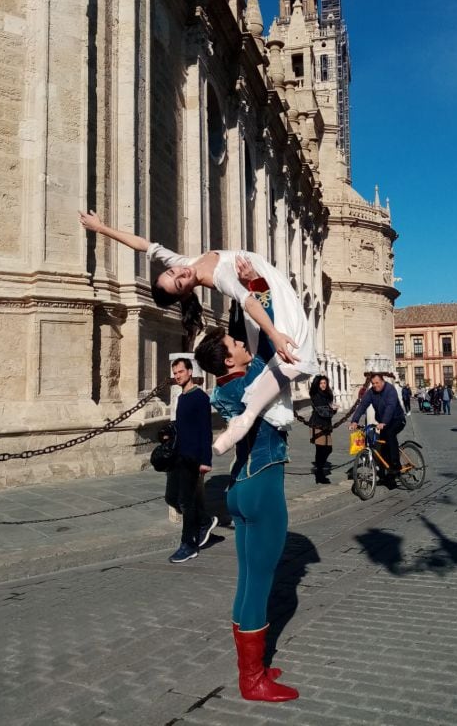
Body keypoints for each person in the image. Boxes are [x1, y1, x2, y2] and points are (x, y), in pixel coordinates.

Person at [78, 211, 318, 453]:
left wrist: (102, 229)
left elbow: (144, 245)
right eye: (180, 282)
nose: (181, 273)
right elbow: (250, 303)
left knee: (287, 362)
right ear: (184, 293)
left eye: (173, 272)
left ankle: (245, 417)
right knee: (293, 356)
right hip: (267, 291)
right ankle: (246, 418)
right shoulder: (220, 277)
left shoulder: (184, 263)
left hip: (265, 280)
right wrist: (274, 334)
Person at [194, 262, 299, 703]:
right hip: (262, 486)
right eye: (235, 344)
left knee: (247, 581)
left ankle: (252, 666)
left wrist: (249, 285)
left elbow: (251, 333)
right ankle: (252, 679)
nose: (241, 343)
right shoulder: (252, 380)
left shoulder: (225, 386)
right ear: (229, 358)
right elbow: (273, 342)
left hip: (239, 487)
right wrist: (266, 294)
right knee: (261, 584)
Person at [164, 358, 218, 563]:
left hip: (192, 457)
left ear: (189, 372)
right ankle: (204, 521)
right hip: (177, 456)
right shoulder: (182, 397)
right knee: (171, 497)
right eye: (175, 373)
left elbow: (206, 431)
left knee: (186, 502)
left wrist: (206, 460)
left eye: (180, 372)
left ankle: (188, 545)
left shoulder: (200, 398)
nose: (177, 376)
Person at [349, 374, 406, 476]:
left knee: (390, 435)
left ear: (382, 381)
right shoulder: (371, 392)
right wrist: (354, 421)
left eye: (377, 383)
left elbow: (390, 407)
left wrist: (384, 422)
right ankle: (385, 475)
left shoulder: (390, 390)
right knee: (382, 448)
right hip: (383, 423)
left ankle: (396, 465)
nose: (375, 385)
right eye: (373, 383)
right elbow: (362, 406)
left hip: (397, 419)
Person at [308, 375, 336, 484]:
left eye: (324, 383)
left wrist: (332, 409)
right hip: (318, 425)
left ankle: (319, 470)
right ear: (317, 384)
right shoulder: (316, 395)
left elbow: (327, 412)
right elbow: (323, 411)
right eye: (321, 383)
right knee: (320, 449)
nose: (323, 385)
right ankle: (319, 475)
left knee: (328, 448)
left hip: (326, 425)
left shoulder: (327, 395)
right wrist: (332, 409)